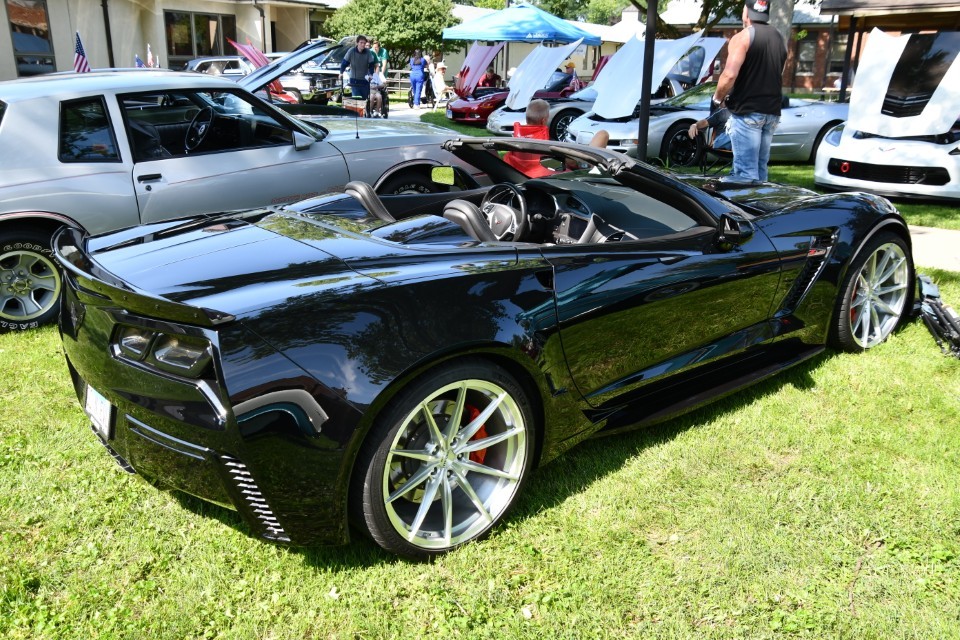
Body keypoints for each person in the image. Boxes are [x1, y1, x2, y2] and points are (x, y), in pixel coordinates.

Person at [711, 0, 787, 183]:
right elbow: (780, 71)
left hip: (747, 112)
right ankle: (760, 202)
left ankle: (744, 201)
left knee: (745, 174)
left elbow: (729, 74)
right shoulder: (779, 38)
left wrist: (717, 98)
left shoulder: (742, 37)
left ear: (746, 13)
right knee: (760, 171)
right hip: (771, 112)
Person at [340, 35, 375, 101]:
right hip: (354, 80)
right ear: (357, 43)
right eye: (361, 43)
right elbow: (344, 63)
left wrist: (371, 74)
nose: (363, 45)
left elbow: (371, 65)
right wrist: (341, 72)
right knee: (357, 99)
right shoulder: (351, 51)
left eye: (364, 43)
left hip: (365, 80)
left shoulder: (368, 52)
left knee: (365, 100)